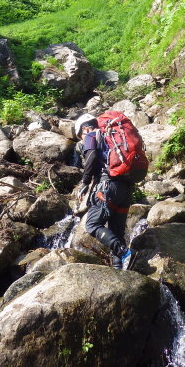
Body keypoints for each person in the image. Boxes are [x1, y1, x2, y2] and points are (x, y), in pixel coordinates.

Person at [75, 113, 137, 271]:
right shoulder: (110, 137)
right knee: (116, 231)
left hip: (107, 187)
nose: (81, 140)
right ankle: (119, 268)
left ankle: (124, 252)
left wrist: (85, 182)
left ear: (85, 128)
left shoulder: (90, 134)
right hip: (126, 188)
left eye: (80, 136)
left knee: (92, 225)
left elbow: (92, 157)